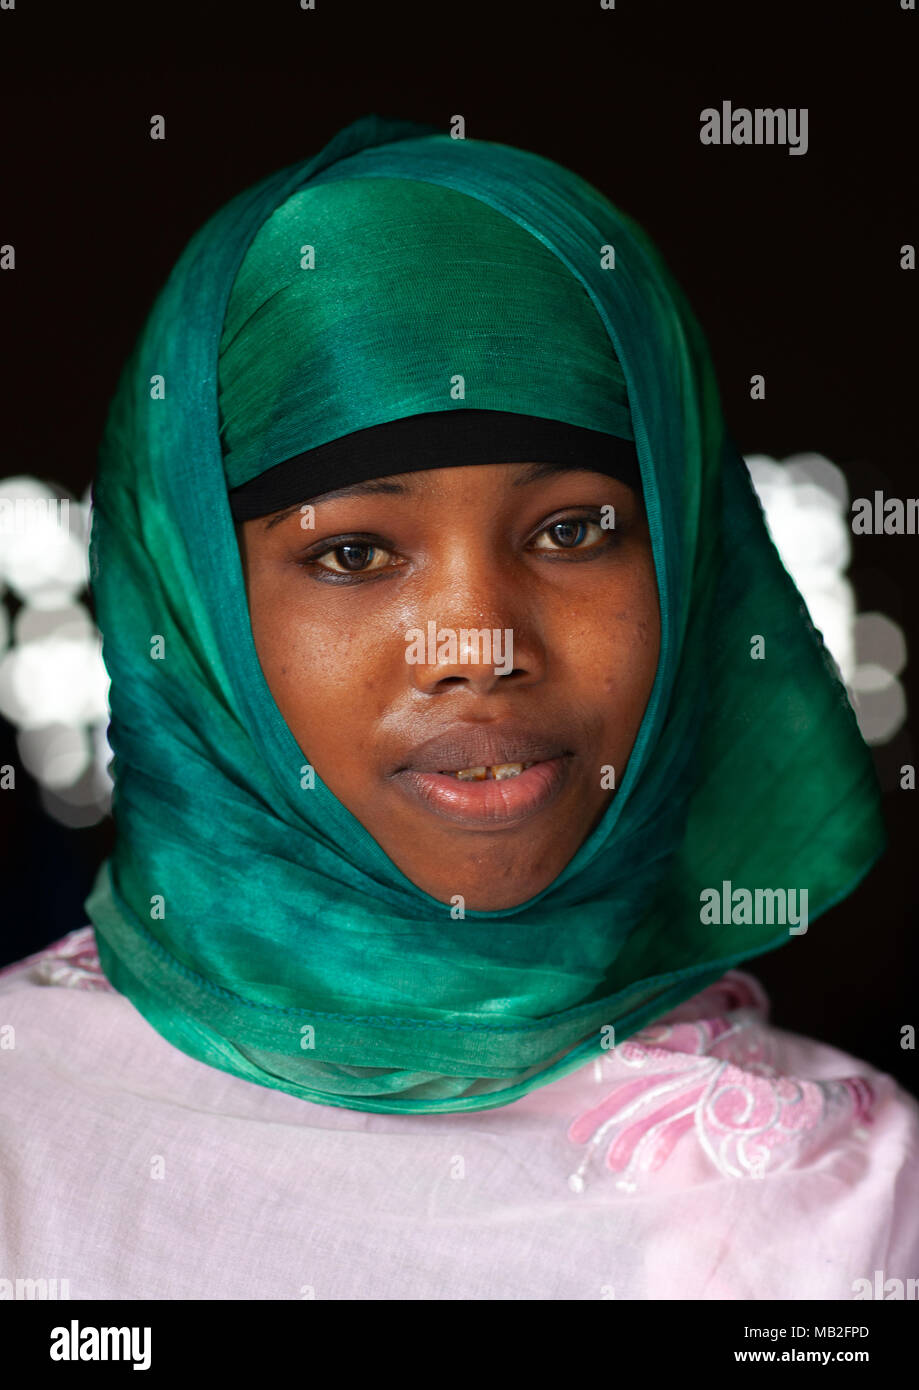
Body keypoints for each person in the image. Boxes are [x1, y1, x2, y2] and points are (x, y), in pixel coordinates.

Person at [1, 113, 916, 1301]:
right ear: (192, 610)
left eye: (572, 530)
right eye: (354, 554)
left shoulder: (851, 1197)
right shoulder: (24, 1127)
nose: (476, 645)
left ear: (691, 571)